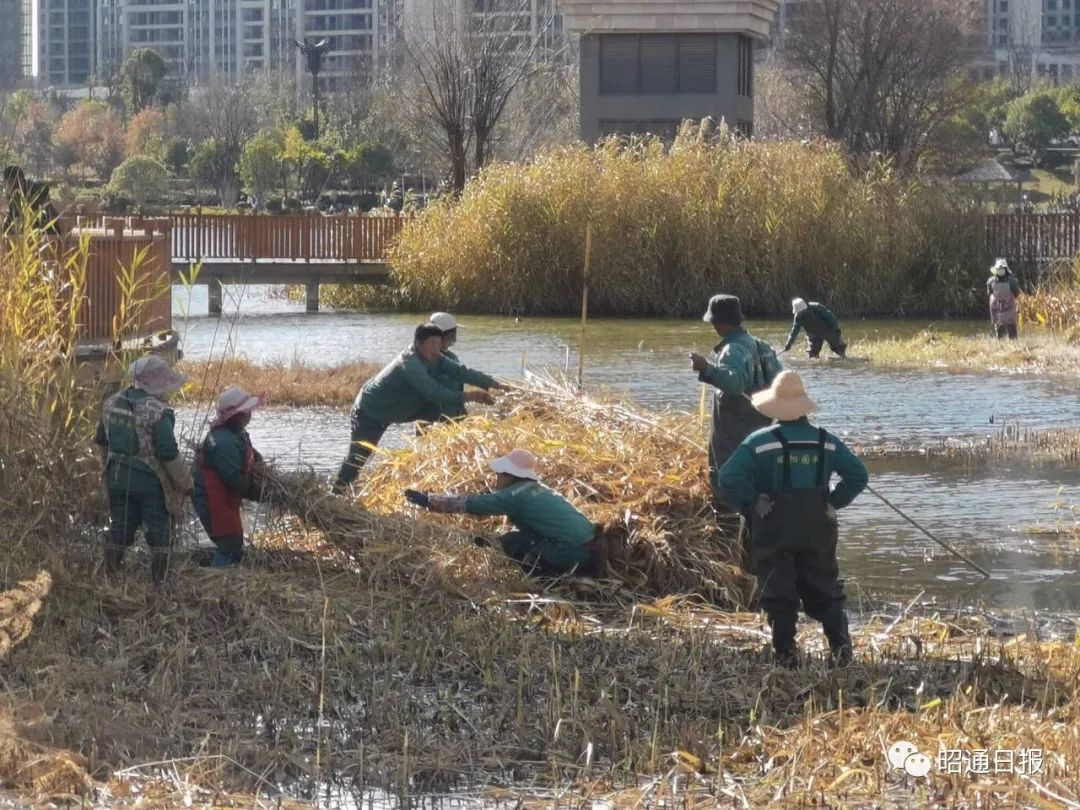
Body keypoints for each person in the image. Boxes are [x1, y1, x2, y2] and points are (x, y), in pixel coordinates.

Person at [719, 371, 868, 669]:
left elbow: (727, 478)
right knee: (825, 584)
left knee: (778, 588)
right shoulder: (826, 442)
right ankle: (841, 650)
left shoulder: (759, 442)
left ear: (774, 407)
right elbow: (858, 476)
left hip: (774, 523)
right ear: (803, 408)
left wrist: (752, 500)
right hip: (817, 526)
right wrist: (833, 502)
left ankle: (786, 654)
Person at [333, 323, 496, 492]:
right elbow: (433, 391)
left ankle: (442, 463)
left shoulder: (435, 357)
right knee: (357, 458)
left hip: (403, 407)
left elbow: (463, 372)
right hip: (372, 412)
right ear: (418, 343)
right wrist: (469, 396)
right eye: (432, 343)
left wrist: (495, 385)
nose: (436, 349)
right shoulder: (410, 364)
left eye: (439, 344)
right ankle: (335, 495)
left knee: (447, 414)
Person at [404, 449, 598, 577]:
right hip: (589, 546)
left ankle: (545, 578)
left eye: (499, 473)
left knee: (512, 541)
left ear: (509, 475)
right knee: (519, 536)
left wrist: (429, 500)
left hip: (570, 553)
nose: (497, 477)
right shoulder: (536, 488)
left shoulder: (514, 496)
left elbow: (474, 505)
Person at [94, 355, 192, 584]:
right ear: (157, 382)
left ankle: (110, 579)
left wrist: (106, 473)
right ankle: (160, 585)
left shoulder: (111, 403)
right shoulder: (158, 410)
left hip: (116, 476)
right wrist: (185, 482)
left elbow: (101, 440)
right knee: (160, 534)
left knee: (121, 527)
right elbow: (167, 452)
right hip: (149, 480)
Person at [688, 294, 783, 527]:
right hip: (760, 428)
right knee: (754, 477)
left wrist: (707, 368)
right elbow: (780, 381)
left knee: (728, 479)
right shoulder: (762, 346)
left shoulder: (732, 349)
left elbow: (735, 383)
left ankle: (730, 531)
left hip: (734, 430)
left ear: (719, 323)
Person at [192, 387, 268, 567]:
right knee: (228, 541)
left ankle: (227, 571)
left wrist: (259, 464)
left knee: (234, 540)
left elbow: (250, 455)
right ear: (236, 416)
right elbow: (234, 479)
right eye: (246, 412)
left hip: (224, 496)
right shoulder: (223, 442)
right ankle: (217, 578)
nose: (250, 415)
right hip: (212, 496)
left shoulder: (236, 433)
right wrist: (259, 492)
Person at [416, 311, 508, 426]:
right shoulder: (436, 360)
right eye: (451, 336)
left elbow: (463, 374)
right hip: (441, 422)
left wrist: (492, 384)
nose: (453, 341)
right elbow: (461, 375)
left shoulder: (431, 356)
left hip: (440, 420)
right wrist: (491, 385)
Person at [2, 165, 60, 237]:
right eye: (6, 183)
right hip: (26, 231)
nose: (7, 186)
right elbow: (12, 215)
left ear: (20, 180)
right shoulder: (14, 193)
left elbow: (47, 214)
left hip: (45, 232)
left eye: (10, 183)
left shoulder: (35, 190)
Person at [987, 258, 1021, 340]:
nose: (1000, 270)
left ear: (1005, 269)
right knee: (999, 327)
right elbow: (990, 293)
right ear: (996, 270)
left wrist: (1008, 300)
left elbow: (1016, 293)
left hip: (1009, 306)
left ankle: (1014, 344)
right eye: (998, 269)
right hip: (997, 307)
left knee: (1011, 326)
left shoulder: (1012, 281)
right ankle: (1001, 345)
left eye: (1002, 268)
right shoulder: (991, 281)